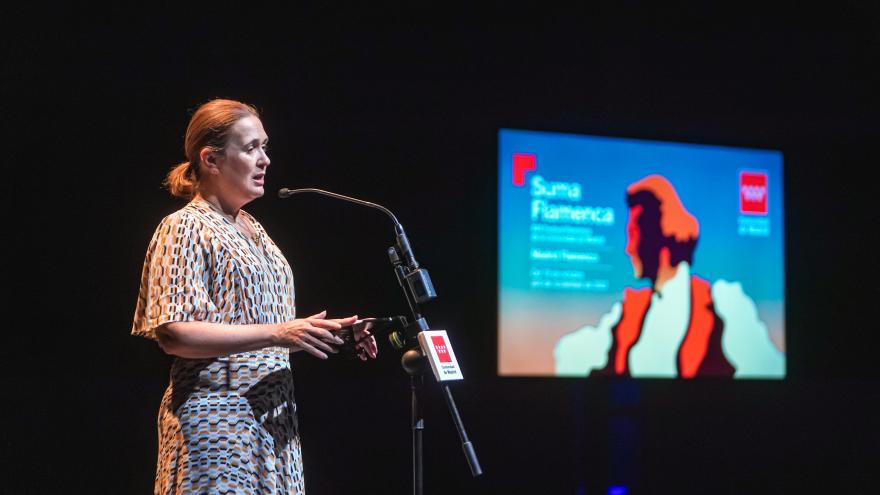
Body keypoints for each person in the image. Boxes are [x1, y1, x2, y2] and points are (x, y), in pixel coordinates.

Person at [131, 99, 377, 494]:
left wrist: (320, 335)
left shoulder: (254, 230)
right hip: (217, 427)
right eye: (250, 148)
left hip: (273, 425)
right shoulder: (184, 227)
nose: (265, 159)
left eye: (265, 147)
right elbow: (175, 334)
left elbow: (259, 333)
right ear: (211, 159)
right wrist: (280, 332)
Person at [555, 175, 784, 378]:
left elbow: (770, 368)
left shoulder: (723, 303)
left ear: (658, 235)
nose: (628, 248)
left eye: (633, 235)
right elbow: (571, 355)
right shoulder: (628, 311)